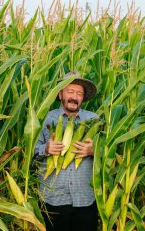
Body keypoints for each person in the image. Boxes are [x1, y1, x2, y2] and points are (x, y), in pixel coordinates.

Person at [34, 71, 99, 231]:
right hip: (52, 198)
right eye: (70, 91)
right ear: (61, 93)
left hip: (85, 199)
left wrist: (94, 150)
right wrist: (46, 149)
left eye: (79, 93)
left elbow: (110, 152)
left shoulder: (94, 120)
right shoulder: (44, 118)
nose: (74, 97)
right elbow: (30, 152)